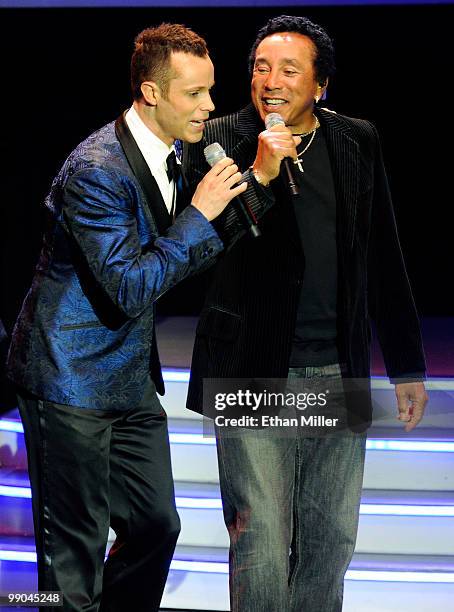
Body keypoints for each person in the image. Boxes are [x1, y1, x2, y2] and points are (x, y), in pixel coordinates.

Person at [5, 22, 265, 612]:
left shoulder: (173, 151)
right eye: (194, 94)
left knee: (155, 526)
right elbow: (130, 285)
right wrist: (199, 214)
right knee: (71, 557)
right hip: (68, 377)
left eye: (210, 90)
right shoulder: (98, 169)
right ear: (152, 93)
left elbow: (179, 254)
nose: (209, 105)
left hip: (126, 378)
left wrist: (260, 185)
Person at [184, 15, 428, 612]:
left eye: (289, 70)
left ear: (320, 85)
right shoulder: (218, 136)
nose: (271, 80)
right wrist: (261, 171)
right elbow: (203, 245)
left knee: (329, 541)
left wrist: (406, 365)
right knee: (262, 539)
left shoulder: (354, 140)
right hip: (252, 368)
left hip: (333, 369)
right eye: (261, 68)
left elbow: (382, 255)